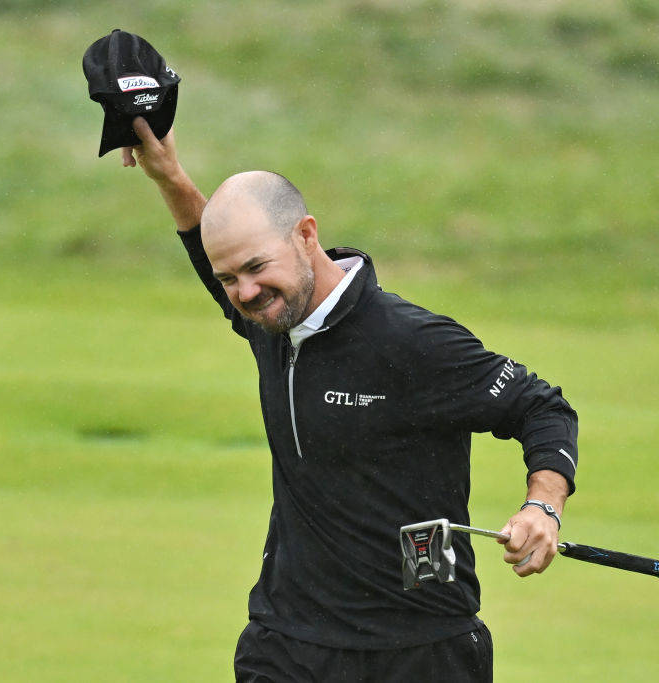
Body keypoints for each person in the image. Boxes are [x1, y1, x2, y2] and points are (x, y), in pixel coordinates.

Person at [118, 116, 579, 682]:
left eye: (257, 267)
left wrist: (543, 506)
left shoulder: (411, 340)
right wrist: (168, 176)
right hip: (287, 642)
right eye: (229, 278)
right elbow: (208, 245)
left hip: (418, 648)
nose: (245, 292)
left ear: (306, 235)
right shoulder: (270, 321)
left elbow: (541, 408)